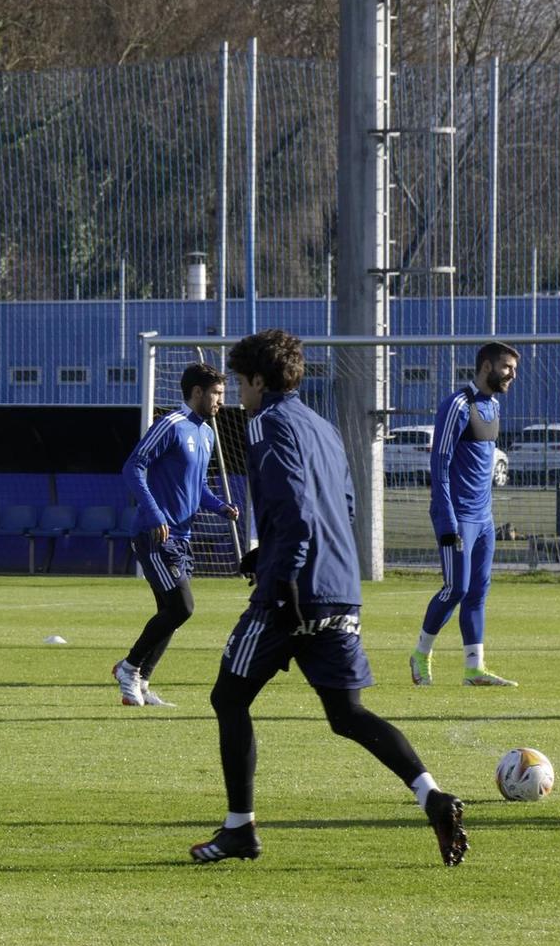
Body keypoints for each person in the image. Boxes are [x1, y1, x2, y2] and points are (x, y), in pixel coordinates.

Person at [192, 329, 467, 868]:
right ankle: (431, 795)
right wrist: (267, 552)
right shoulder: (323, 427)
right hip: (340, 588)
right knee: (347, 714)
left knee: (228, 699)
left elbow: (295, 506)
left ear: (257, 380)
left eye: (242, 382)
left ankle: (239, 829)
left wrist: (284, 575)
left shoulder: (266, 422)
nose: (239, 393)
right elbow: (339, 504)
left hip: (290, 596)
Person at [113, 362, 241, 707]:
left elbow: (197, 485)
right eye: (216, 394)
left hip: (181, 537)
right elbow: (133, 466)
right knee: (181, 607)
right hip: (154, 534)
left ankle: (140, 682)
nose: (220, 402)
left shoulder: (208, 434)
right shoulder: (170, 424)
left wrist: (220, 507)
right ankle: (128, 668)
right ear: (196, 392)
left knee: (169, 612)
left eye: (222, 394)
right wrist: (155, 513)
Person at [411, 341, 521, 687]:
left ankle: (474, 668)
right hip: (456, 516)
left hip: (484, 518)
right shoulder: (457, 405)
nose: (512, 375)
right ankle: (420, 654)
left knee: (477, 592)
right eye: (507, 368)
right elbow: (439, 464)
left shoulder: (494, 406)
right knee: (455, 588)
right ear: (487, 366)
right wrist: (446, 519)